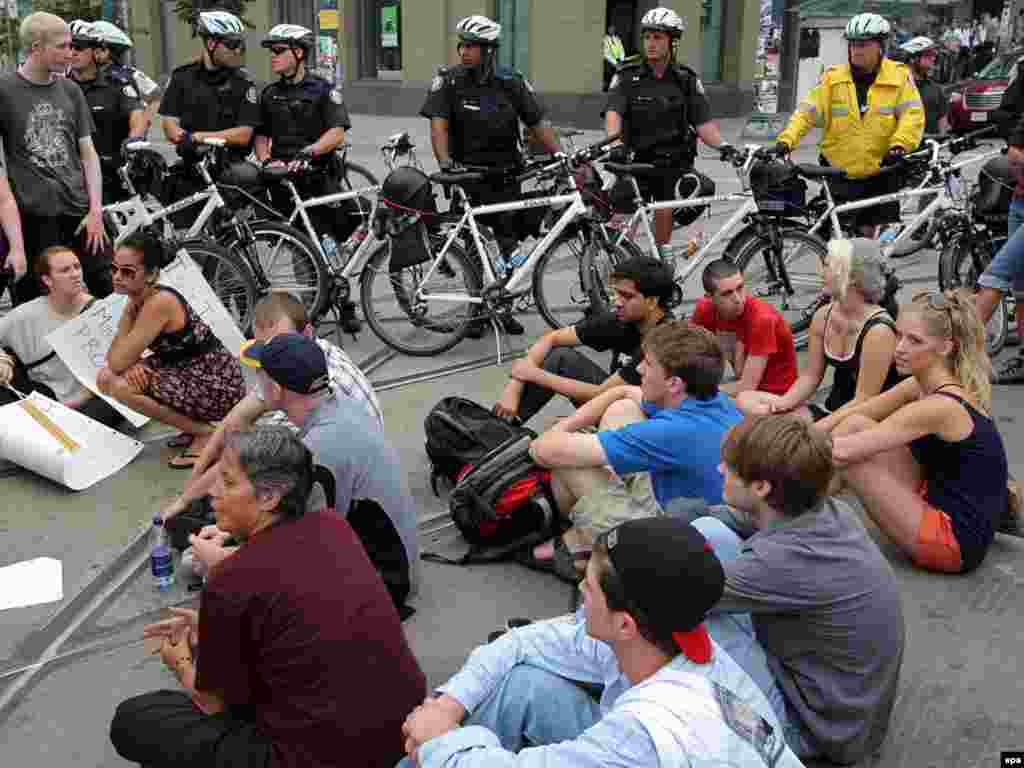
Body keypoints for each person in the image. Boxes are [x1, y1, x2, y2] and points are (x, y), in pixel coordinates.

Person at [110, 427, 426, 768]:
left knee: (136, 719)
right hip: (405, 730)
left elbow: (212, 704)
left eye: (228, 482)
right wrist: (213, 626)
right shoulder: (334, 526)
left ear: (269, 498)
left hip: (319, 757)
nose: (213, 492)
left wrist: (180, 661)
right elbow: (297, 623)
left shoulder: (230, 580)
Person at [397, 516, 804, 768]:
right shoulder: (667, 642)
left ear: (625, 624)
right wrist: (449, 704)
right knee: (521, 685)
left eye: (588, 588)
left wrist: (441, 740)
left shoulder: (644, 737)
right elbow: (522, 642)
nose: (579, 588)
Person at [692, 415, 905, 763]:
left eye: (728, 467)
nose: (718, 470)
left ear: (761, 487)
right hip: (848, 715)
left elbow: (674, 594)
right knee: (708, 530)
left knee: (684, 616)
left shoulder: (779, 561)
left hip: (813, 735)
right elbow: (744, 520)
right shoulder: (831, 512)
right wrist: (698, 513)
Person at [526, 320, 741, 579]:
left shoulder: (672, 431)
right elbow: (624, 392)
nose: (639, 368)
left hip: (663, 548)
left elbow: (543, 451)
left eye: (648, 364)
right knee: (621, 410)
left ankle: (591, 545)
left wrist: (556, 435)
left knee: (569, 462)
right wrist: (570, 426)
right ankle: (588, 535)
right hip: (684, 513)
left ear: (674, 384)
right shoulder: (713, 400)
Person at [827, 289, 1009, 573]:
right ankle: (790, 512)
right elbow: (859, 412)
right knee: (854, 426)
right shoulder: (922, 384)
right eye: (899, 335)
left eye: (914, 341)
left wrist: (771, 451)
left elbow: (844, 451)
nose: (899, 348)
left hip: (954, 542)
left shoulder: (941, 405)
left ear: (946, 348)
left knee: (851, 459)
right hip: (934, 498)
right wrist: (794, 429)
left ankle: (787, 517)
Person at [162, 290, 382, 521]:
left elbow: (246, 459)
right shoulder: (302, 361)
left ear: (306, 332)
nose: (269, 360)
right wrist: (188, 493)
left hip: (353, 509)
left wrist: (193, 500)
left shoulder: (292, 385)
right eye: (264, 349)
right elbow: (235, 419)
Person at [237, 332, 418, 609]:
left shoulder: (320, 450)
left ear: (274, 388)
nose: (256, 383)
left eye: (259, 375)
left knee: (248, 594)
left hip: (385, 585)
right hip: (394, 560)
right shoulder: (341, 407)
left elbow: (302, 543)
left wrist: (229, 557)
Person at [420, 15, 561, 333]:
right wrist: (445, 165)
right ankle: (474, 314)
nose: (463, 51)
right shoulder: (449, 80)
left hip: (506, 176)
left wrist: (560, 155)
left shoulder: (511, 81)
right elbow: (438, 125)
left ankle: (502, 306)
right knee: (470, 247)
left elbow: (537, 122)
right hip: (467, 178)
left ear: (489, 51)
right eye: (462, 45)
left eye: (471, 46)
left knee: (509, 246)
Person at [95, 233, 246, 465]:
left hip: (216, 384)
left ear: (152, 275)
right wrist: (131, 362)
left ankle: (206, 434)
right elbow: (115, 357)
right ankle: (195, 428)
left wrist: (127, 358)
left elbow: (117, 361)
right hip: (189, 371)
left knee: (119, 384)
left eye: (127, 271)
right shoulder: (137, 299)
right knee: (106, 378)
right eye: (114, 269)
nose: (117, 277)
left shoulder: (159, 302)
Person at [775, 13, 924, 238]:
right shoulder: (833, 78)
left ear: (880, 46)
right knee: (832, 241)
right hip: (839, 172)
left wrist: (900, 146)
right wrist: (786, 141)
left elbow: (912, 115)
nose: (856, 50)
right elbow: (806, 112)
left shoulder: (899, 76)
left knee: (870, 240)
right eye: (852, 44)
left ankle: (864, 271)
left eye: (863, 44)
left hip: (880, 171)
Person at [255, 24, 361, 333]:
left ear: (298, 53)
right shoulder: (270, 93)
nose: (273, 57)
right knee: (300, 248)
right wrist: (264, 161)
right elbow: (261, 135)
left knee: (330, 243)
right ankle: (311, 308)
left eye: (278, 51)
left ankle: (344, 302)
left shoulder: (323, 89)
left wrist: (311, 151)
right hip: (284, 183)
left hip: (318, 178)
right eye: (271, 52)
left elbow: (337, 130)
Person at [0, 12, 111, 306]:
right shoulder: (5, 91)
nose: (70, 54)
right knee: (39, 302)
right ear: (36, 48)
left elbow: (88, 153)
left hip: (80, 212)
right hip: (35, 217)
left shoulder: (70, 90)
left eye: (72, 46)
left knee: (108, 287)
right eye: (61, 47)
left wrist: (96, 209)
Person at [605, 7, 732, 257]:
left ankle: (660, 266)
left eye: (658, 38)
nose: (650, 43)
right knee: (621, 232)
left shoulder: (685, 80)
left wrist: (725, 146)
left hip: (672, 165)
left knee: (663, 229)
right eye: (647, 37)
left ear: (672, 42)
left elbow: (703, 123)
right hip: (635, 163)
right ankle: (617, 271)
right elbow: (613, 114)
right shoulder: (627, 76)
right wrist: (614, 144)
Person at [494, 256, 675, 424]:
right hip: (615, 401)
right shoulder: (624, 318)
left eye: (627, 296)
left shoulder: (663, 339)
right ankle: (499, 430)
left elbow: (601, 393)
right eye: (616, 293)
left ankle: (499, 434)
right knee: (560, 356)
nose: (617, 302)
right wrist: (515, 385)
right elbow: (552, 338)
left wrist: (532, 374)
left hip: (645, 421)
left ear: (652, 301)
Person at [738, 239, 900, 422]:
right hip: (833, 412)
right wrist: (783, 404)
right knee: (746, 400)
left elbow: (864, 400)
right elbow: (810, 376)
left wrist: (818, 429)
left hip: (864, 421)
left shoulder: (878, 330)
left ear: (852, 277)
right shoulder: (824, 316)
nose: (821, 272)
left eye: (827, 266)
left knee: (780, 429)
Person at [0, 246, 121, 426]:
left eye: (77, 267)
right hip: (45, 399)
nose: (75, 274)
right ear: (47, 280)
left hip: (96, 401)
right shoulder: (25, 315)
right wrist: (2, 359)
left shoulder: (101, 311)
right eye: (65, 270)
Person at [975, 56, 1024, 383]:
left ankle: (948, 356)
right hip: (1020, 200)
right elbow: (1005, 114)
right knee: (1021, 287)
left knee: (994, 276)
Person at [159, 10, 258, 162]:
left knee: (248, 178)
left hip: (231, 166)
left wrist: (197, 137)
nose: (237, 50)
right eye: (232, 44)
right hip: (192, 162)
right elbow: (169, 124)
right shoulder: (181, 77)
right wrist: (184, 139)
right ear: (211, 44)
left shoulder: (243, 81)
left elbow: (244, 134)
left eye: (240, 44)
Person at [691, 259, 798, 398]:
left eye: (740, 288)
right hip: (741, 386)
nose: (737, 299)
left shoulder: (762, 318)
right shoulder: (704, 309)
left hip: (776, 396)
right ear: (710, 297)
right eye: (727, 293)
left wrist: (694, 393)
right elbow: (692, 356)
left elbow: (747, 387)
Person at [67, 20, 146, 204]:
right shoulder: (61, 86)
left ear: (95, 51)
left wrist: (134, 139)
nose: (72, 52)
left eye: (79, 47)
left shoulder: (117, 83)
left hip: (113, 174)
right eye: (69, 46)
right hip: (75, 178)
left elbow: (136, 113)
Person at [89, 20, 162, 135]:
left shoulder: (129, 74)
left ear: (108, 51)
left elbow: (156, 95)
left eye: (97, 48)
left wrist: (142, 124)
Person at [901, 37, 948, 135]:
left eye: (934, 54)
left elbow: (942, 116)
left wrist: (941, 138)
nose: (933, 58)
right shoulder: (899, 86)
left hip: (930, 146)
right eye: (928, 55)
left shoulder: (935, 88)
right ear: (913, 59)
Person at [602, 25, 625, 91]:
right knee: (609, 76)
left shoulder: (617, 38)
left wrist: (621, 59)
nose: (612, 31)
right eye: (610, 29)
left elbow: (621, 49)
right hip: (609, 61)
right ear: (608, 30)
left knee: (618, 75)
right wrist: (615, 62)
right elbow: (606, 52)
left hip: (618, 60)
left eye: (613, 29)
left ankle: (614, 89)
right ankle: (607, 89)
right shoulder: (605, 39)